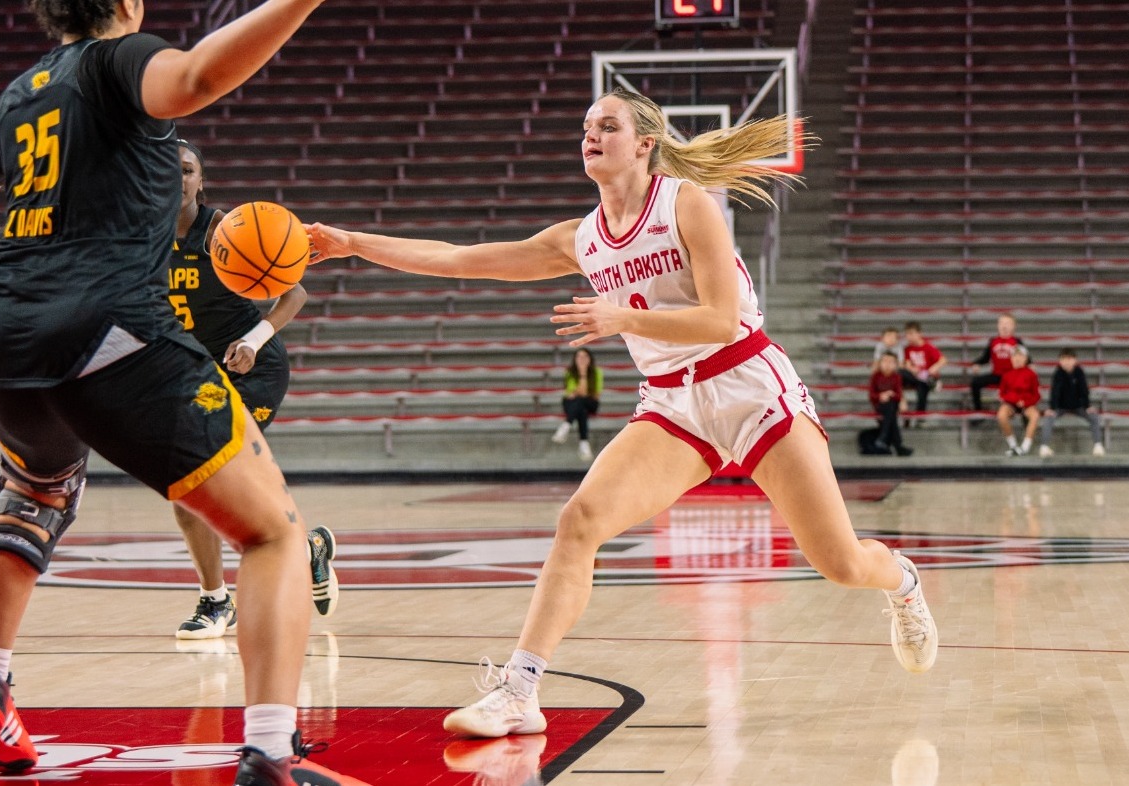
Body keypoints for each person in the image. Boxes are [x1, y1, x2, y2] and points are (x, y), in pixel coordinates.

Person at [307, 88, 939, 740]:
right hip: (672, 404)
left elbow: (721, 321)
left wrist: (623, 318)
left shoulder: (686, 204)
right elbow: (459, 258)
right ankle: (519, 692)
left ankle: (902, 581)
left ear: (643, 144)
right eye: (587, 126)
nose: (591, 134)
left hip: (750, 386)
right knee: (578, 521)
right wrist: (352, 242)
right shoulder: (580, 238)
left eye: (607, 125)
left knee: (839, 563)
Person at [0, 1, 354, 782]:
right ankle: (271, 754)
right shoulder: (117, 62)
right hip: (107, 325)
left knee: (36, 491)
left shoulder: (18, 95)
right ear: (128, 4)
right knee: (273, 534)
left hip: (3, 331)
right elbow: (199, 76)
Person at [168, 139, 338, 639]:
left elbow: (295, 292)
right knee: (193, 488)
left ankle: (216, 602)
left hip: (251, 368)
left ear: (201, 181)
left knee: (200, 477)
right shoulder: (138, 237)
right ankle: (305, 549)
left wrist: (253, 338)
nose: (176, 178)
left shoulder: (222, 229)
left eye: (187, 170)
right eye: (165, 168)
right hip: (196, 376)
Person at [1038, 348, 1106, 457]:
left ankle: (1098, 445)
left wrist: (1087, 406)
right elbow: (1054, 392)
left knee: (1094, 416)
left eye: (1069, 359)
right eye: (1064, 359)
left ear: (1075, 360)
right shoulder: (1058, 374)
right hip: (1061, 407)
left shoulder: (1079, 372)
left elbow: (1084, 390)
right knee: (1048, 418)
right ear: (1060, 361)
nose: (1067, 362)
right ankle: (1044, 446)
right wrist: (1052, 408)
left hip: (1078, 406)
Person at [550, 346, 603, 461]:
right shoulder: (570, 372)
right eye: (579, 357)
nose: (582, 359)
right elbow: (571, 394)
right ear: (575, 359)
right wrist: (581, 391)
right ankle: (584, 443)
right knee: (581, 409)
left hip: (590, 403)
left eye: (585, 356)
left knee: (580, 401)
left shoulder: (597, 372)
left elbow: (591, 394)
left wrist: (583, 374)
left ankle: (566, 425)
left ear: (590, 359)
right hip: (573, 404)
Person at [969, 314, 1027, 412]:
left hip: (1012, 376)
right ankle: (978, 410)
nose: (1004, 326)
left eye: (1007, 323)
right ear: (998, 325)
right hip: (997, 375)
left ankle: (1019, 410)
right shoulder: (993, 341)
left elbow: (1026, 358)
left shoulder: (1017, 341)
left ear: (1013, 327)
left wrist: (1030, 365)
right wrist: (976, 364)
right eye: (1002, 323)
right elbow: (985, 358)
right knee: (975, 382)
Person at [996, 346, 1041, 456]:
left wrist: (1026, 402)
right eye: (1015, 355)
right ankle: (1013, 445)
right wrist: (1014, 401)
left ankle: (1025, 447)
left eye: (1020, 355)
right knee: (1001, 415)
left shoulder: (1031, 374)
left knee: (1035, 416)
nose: (1017, 358)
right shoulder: (1007, 374)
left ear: (1026, 358)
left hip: (1027, 403)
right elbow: (1002, 394)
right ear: (1011, 358)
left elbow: (1036, 395)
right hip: (1011, 403)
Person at [869, 352, 913, 456]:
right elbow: (871, 395)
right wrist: (881, 396)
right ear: (880, 363)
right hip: (880, 405)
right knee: (891, 412)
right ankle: (897, 445)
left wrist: (890, 395)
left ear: (895, 365)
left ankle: (883, 438)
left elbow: (898, 395)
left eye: (891, 362)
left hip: (892, 405)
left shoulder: (896, 377)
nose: (887, 364)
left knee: (891, 407)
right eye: (885, 361)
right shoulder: (875, 376)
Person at [900, 321, 945, 415]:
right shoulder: (907, 349)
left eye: (911, 334)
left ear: (919, 334)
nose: (909, 337)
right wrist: (911, 368)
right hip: (914, 377)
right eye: (907, 334)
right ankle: (902, 405)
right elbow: (906, 364)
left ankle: (920, 415)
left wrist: (933, 368)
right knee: (899, 373)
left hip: (925, 376)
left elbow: (943, 360)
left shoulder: (928, 347)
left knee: (922, 387)